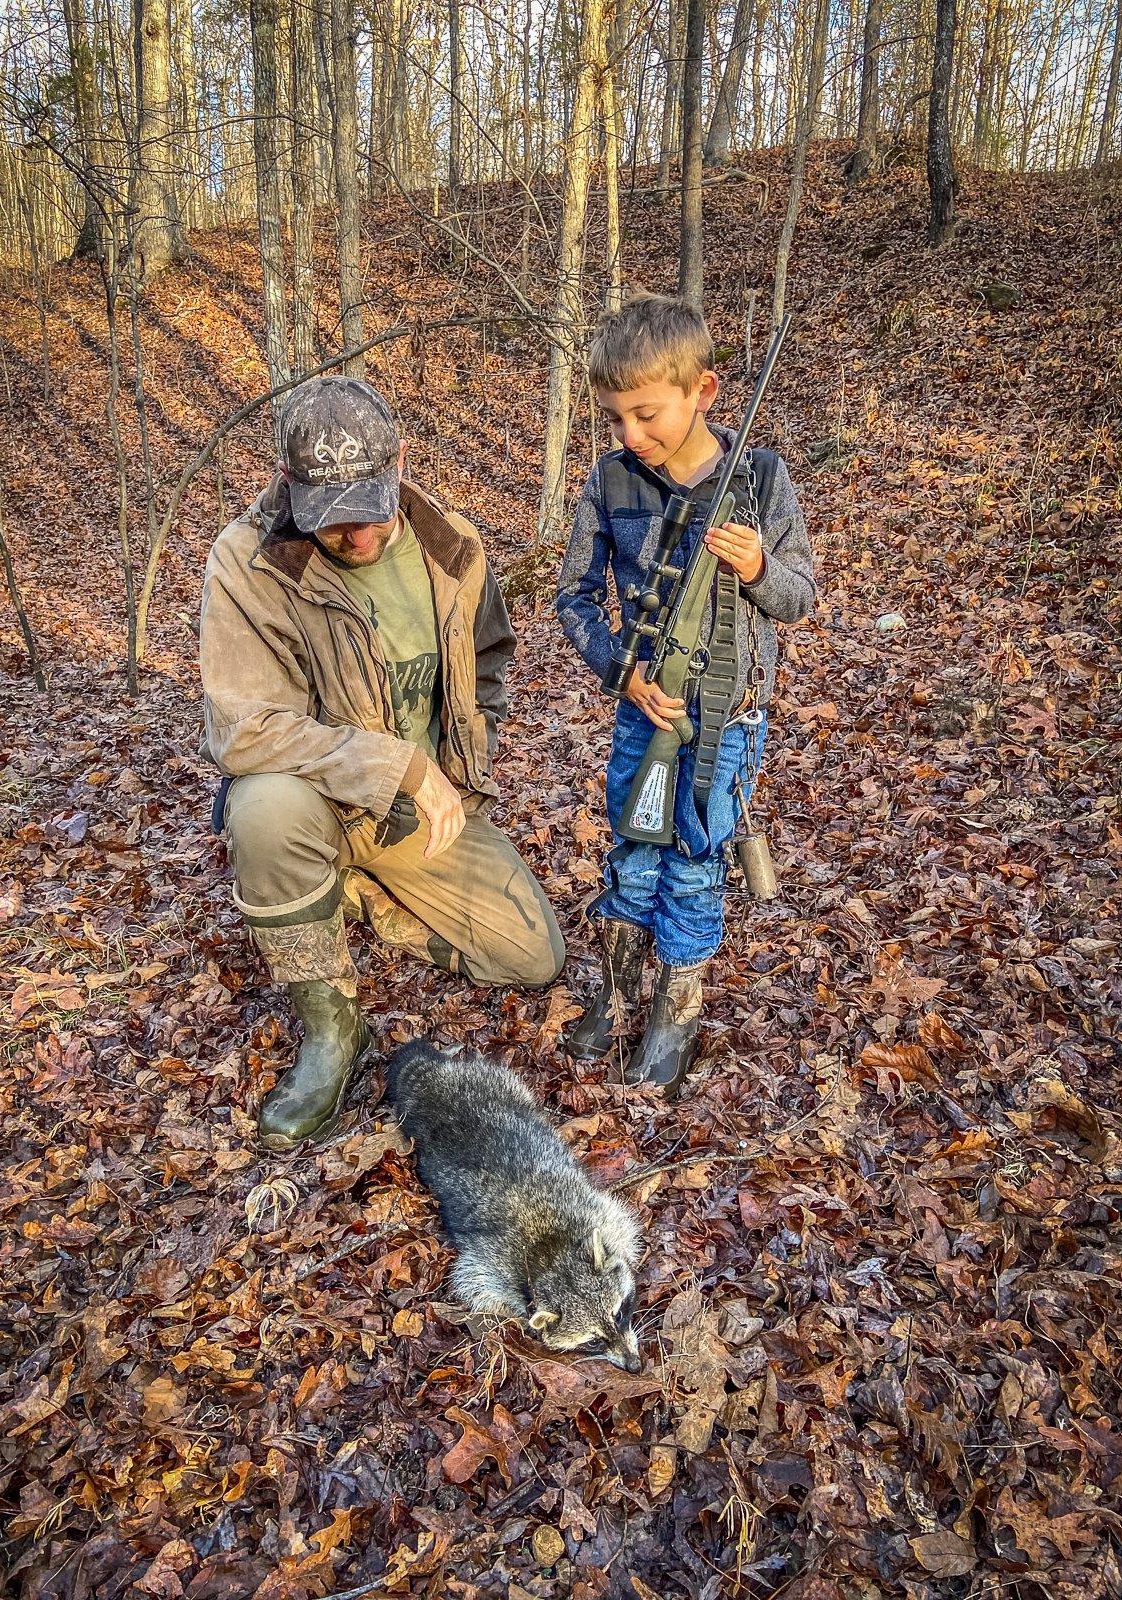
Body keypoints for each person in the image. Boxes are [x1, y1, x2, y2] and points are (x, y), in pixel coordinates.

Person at [200, 375, 564, 1149]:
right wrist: (397, 763)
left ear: (400, 461)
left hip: (421, 812)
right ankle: (332, 1030)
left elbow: (491, 654)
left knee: (532, 958)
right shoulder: (249, 561)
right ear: (290, 485)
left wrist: (470, 749)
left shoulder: (452, 546)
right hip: (318, 802)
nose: (356, 537)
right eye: (331, 520)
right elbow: (242, 729)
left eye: (368, 511)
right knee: (261, 808)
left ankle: (349, 889)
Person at [556, 294, 816, 1095]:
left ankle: (676, 1014)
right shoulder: (609, 481)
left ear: (702, 392)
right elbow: (573, 598)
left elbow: (800, 595)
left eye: (645, 413)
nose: (630, 435)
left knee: (695, 862)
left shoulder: (760, 479)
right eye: (613, 418)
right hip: (643, 712)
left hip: (725, 723)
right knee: (632, 851)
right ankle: (617, 993)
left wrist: (757, 571)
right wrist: (620, 672)